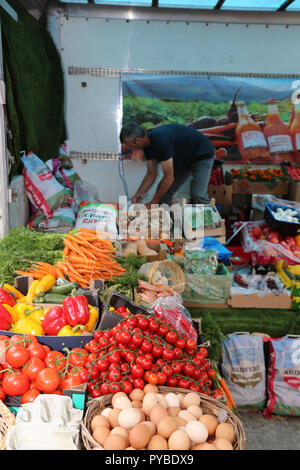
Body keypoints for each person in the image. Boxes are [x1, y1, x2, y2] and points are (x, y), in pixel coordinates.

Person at [120, 122, 215, 207]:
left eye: (129, 145)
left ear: (138, 140)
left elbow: (169, 177)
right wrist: (137, 195)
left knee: (198, 195)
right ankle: (165, 222)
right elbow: (151, 174)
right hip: (184, 159)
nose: (130, 148)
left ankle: (211, 225)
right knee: (165, 194)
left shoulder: (161, 140)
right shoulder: (147, 146)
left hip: (202, 154)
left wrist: (154, 202)